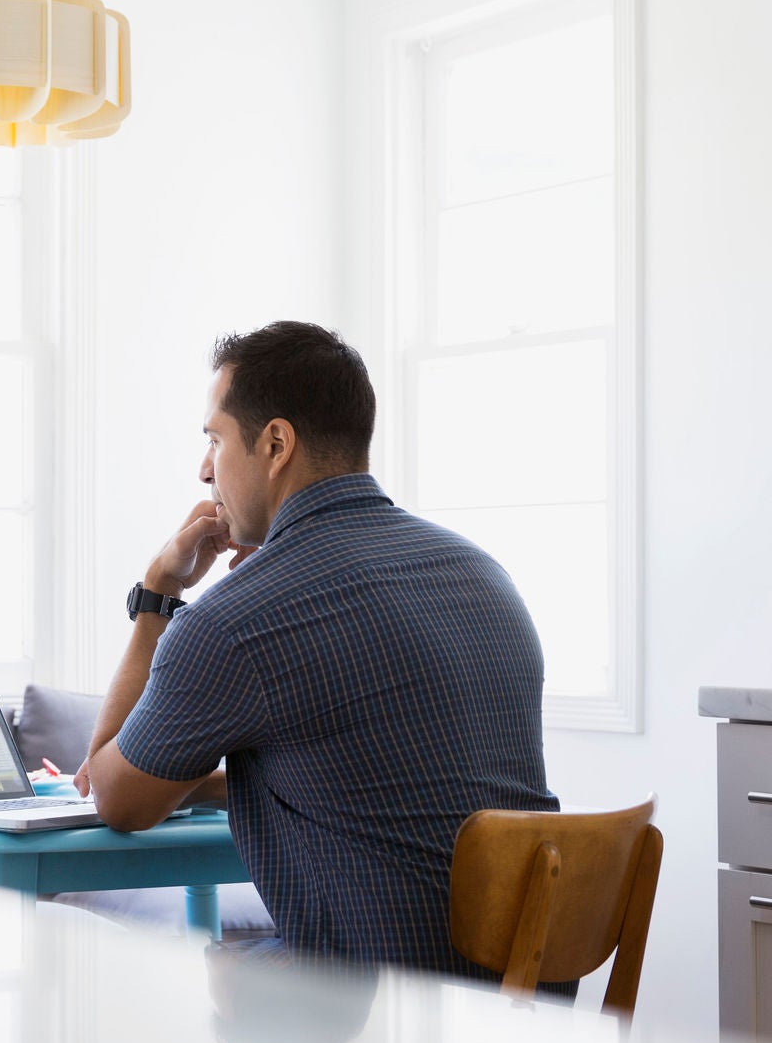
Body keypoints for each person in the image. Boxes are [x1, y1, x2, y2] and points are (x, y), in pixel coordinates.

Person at [71, 320, 560, 977]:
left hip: (375, 1023)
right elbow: (390, 783)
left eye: (214, 439)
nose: (204, 468)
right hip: (518, 1013)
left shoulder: (234, 621)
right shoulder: (483, 575)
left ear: (274, 443)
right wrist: (224, 786)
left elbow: (113, 796)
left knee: (152, 981)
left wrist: (159, 592)